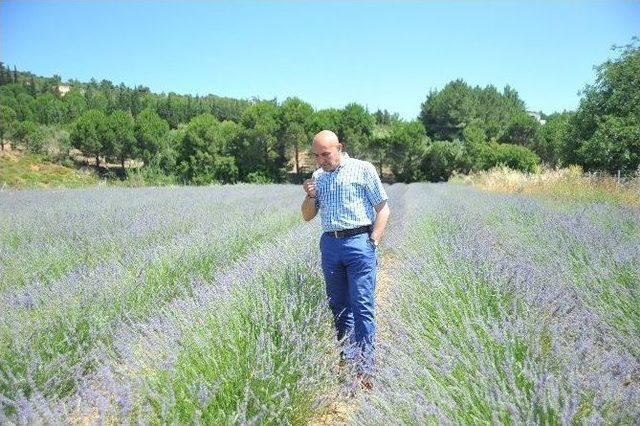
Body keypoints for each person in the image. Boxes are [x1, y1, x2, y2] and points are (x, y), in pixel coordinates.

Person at [301, 130, 390, 389]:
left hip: (359, 243)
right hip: (330, 245)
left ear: (339, 147)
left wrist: (373, 239)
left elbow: (383, 207)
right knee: (339, 308)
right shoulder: (317, 178)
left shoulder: (363, 169)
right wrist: (309, 196)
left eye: (325, 154)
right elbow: (307, 216)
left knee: (362, 306)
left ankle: (366, 369)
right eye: (316, 155)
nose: (321, 160)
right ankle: (349, 362)